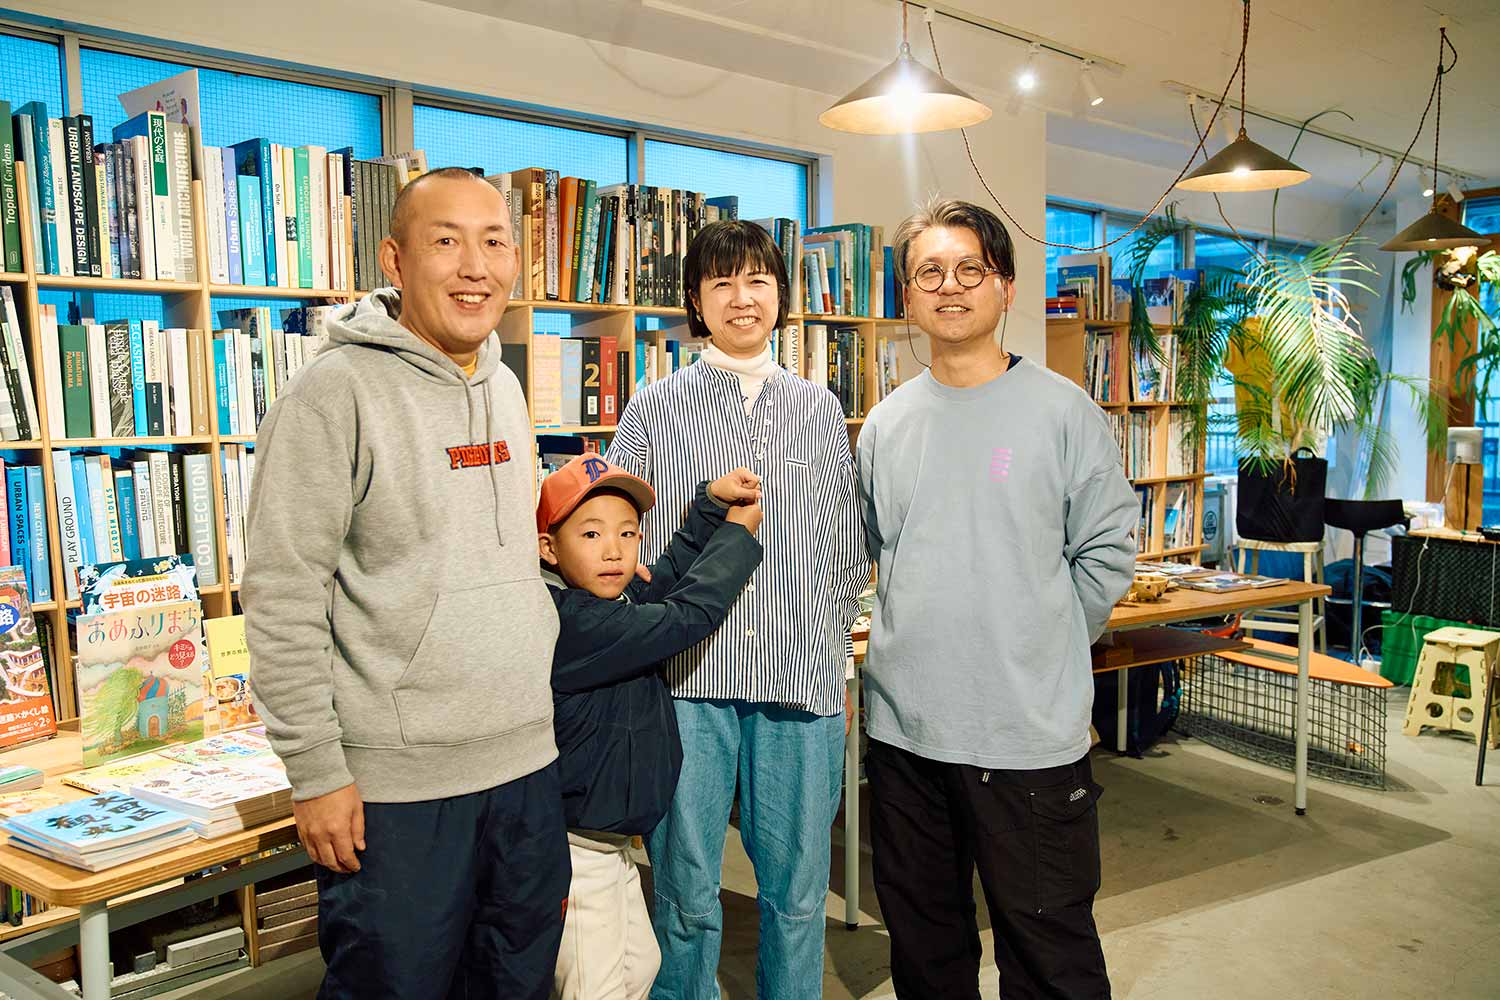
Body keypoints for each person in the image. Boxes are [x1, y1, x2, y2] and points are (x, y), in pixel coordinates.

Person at [245, 167, 569, 1000]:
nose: (475, 266)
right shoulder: (334, 393)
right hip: (398, 792)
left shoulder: (504, 384)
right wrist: (315, 771)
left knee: (519, 987)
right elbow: (282, 593)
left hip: (526, 770)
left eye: (494, 242)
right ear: (395, 259)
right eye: (446, 241)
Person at [855, 197, 1138, 1000]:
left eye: (969, 269)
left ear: (1006, 286)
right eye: (929, 273)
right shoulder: (886, 424)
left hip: (1027, 740)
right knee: (925, 953)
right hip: (907, 738)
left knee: (1051, 957)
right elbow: (880, 551)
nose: (950, 286)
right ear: (907, 296)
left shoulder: (1062, 411)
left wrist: (1042, 642)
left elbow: (1106, 552)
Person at [607, 220, 868, 999]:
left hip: (799, 678)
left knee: (797, 891)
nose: (741, 297)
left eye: (757, 280)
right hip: (685, 680)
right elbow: (617, 540)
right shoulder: (653, 406)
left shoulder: (819, 408)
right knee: (685, 887)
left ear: (781, 294)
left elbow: (844, 547)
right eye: (721, 282)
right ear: (696, 299)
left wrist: (832, 660)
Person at [539, 454, 763, 1000]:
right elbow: (685, 615)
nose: (614, 550)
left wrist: (709, 509)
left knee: (639, 968)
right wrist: (736, 537)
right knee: (594, 986)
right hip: (575, 852)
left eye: (627, 533)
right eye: (591, 534)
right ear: (549, 548)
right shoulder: (571, 621)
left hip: (611, 847)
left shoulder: (605, 601)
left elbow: (662, 585)